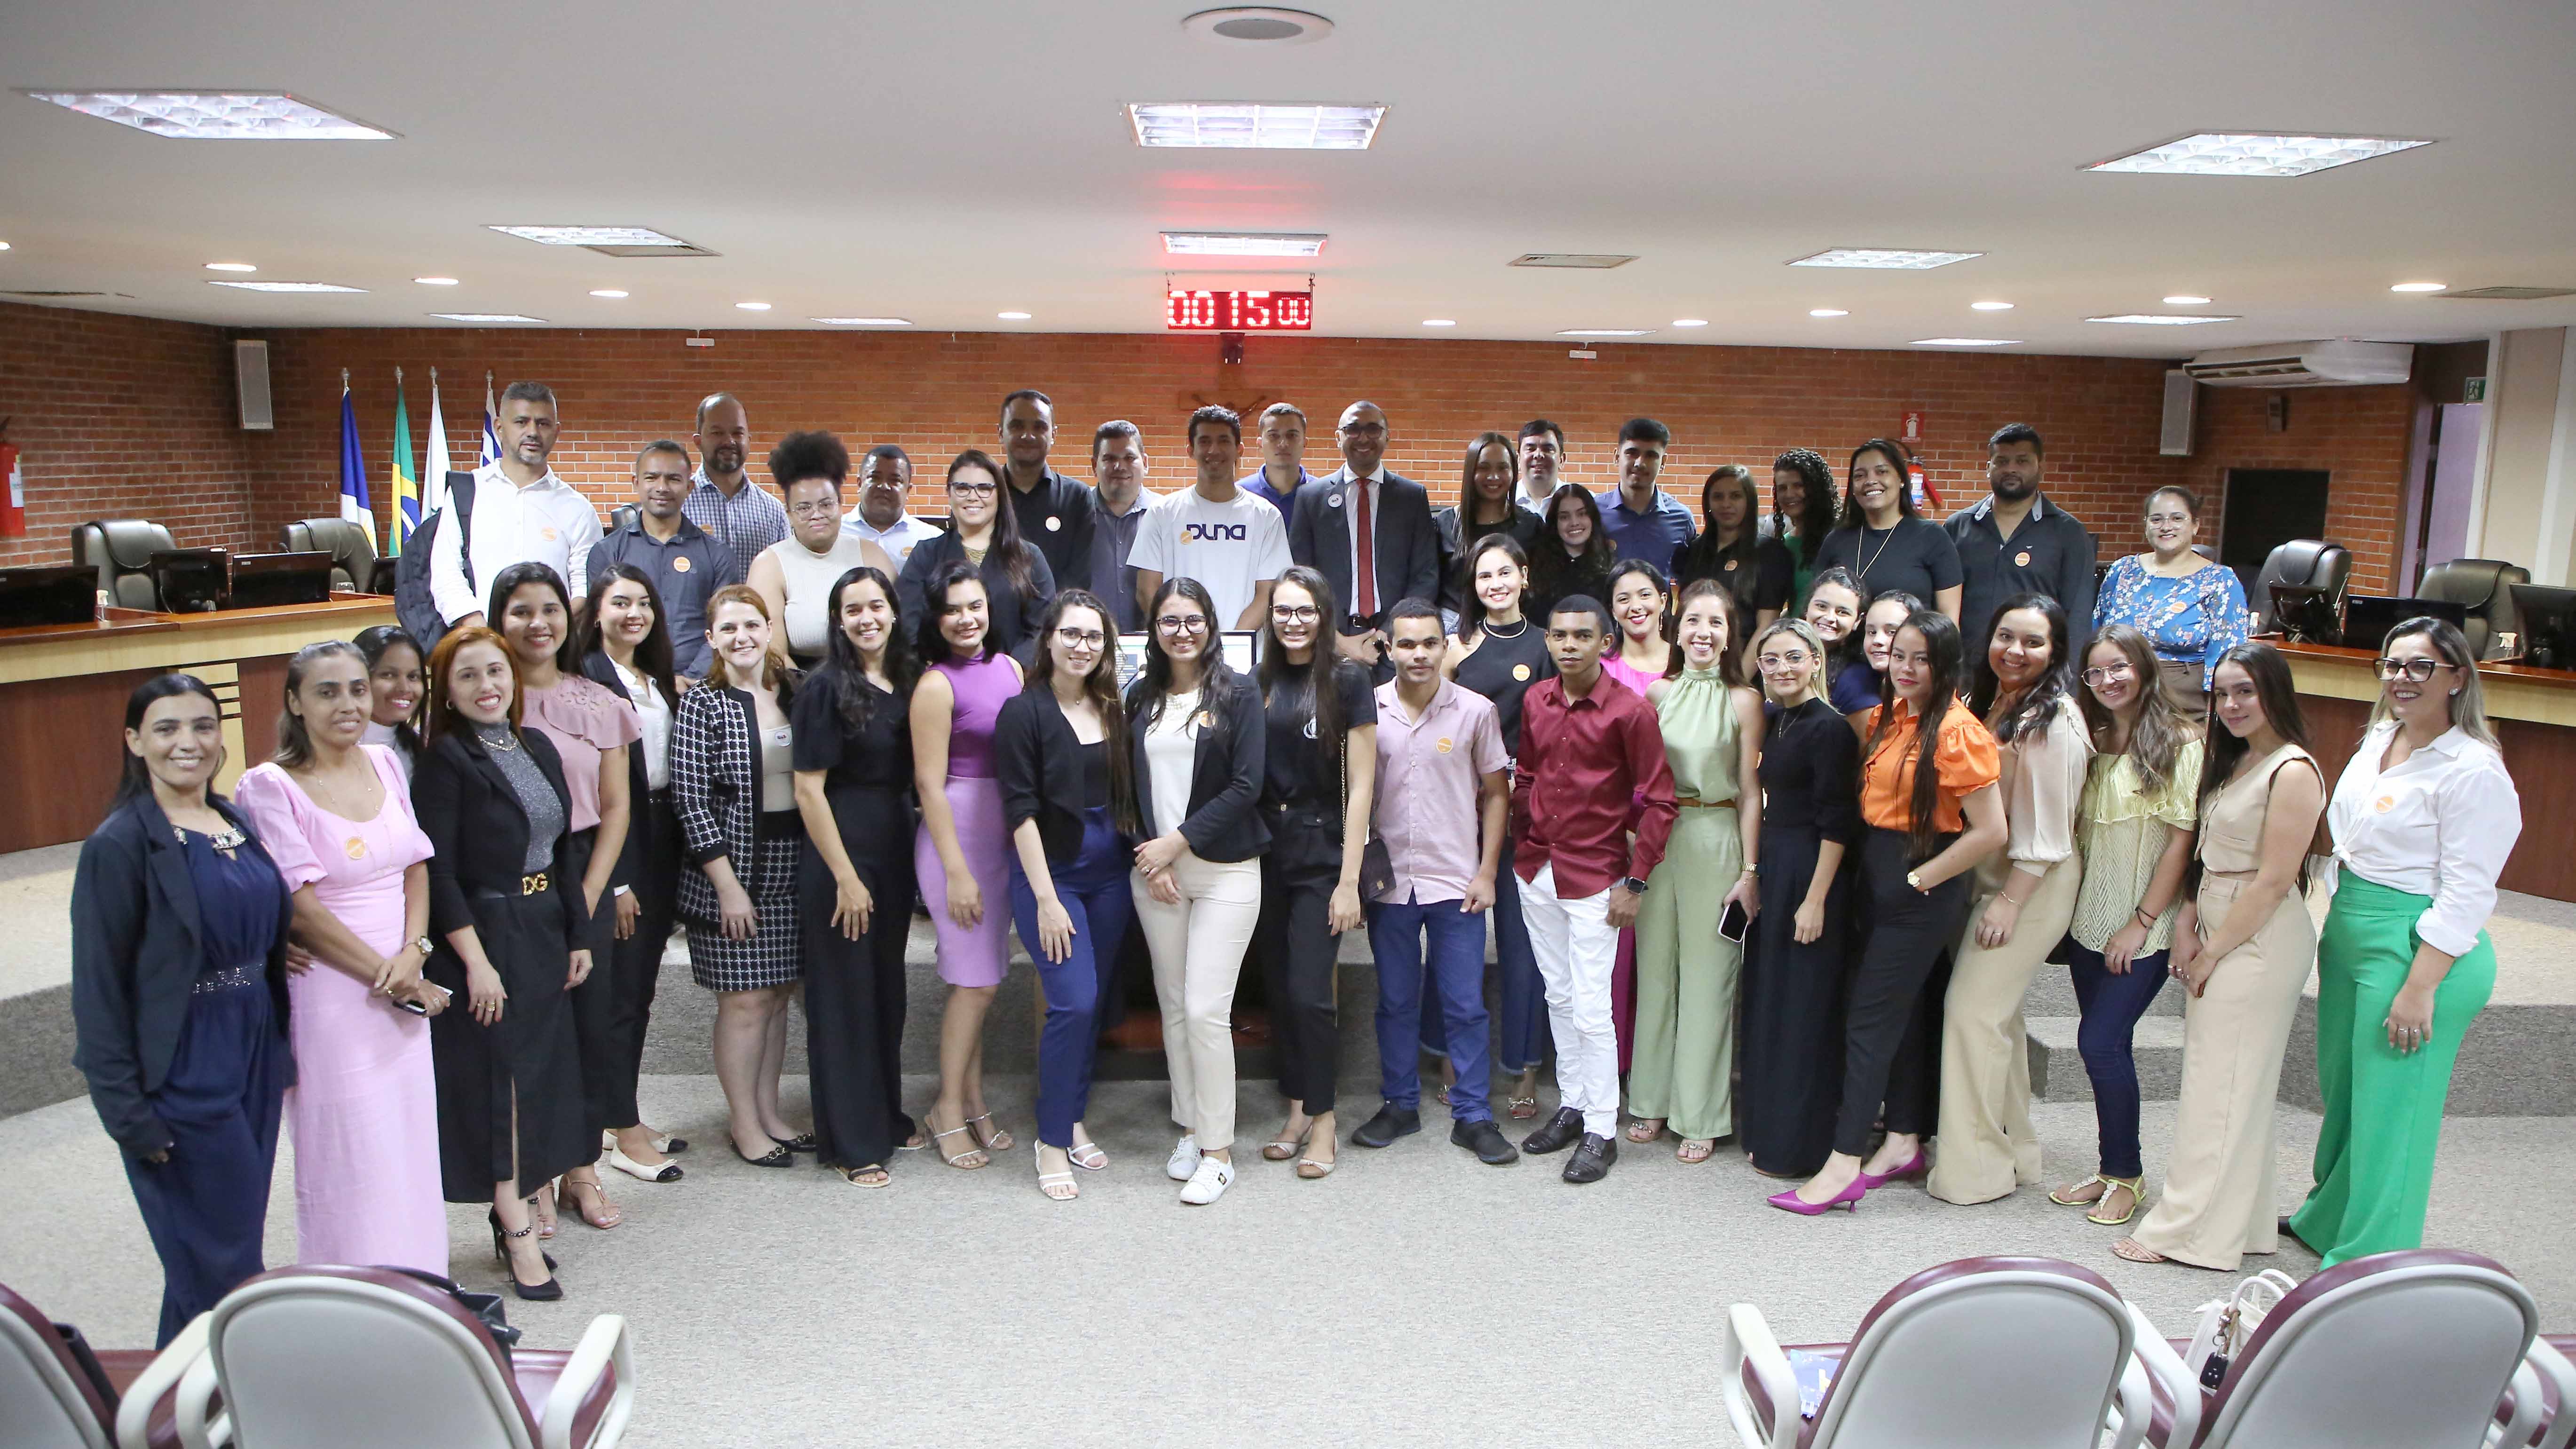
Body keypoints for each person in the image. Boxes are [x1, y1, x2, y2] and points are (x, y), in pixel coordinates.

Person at [2288, 618, 2520, 1267]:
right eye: (2391, 665)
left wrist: (2420, 987)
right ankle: (2329, 1216)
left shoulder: (2473, 768)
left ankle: (2372, 1256)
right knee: (2346, 1091)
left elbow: (2469, 892)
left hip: (2417, 948)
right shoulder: (2379, 739)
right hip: (2352, 928)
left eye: (2419, 666)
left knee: (2395, 1111)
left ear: (2457, 678)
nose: (2400, 678)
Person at [73, 675, 297, 1343]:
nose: (188, 743)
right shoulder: (118, 846)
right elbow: (99, 991)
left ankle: (175, 1411)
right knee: (221, 1261)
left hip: (252, 1049)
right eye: (166, 729)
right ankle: (232, 1407)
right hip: (182, 1061)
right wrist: (127, 1114)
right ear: (135, 741)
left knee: (212, 1253)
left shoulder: (233, 819)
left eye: (203, 726)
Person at [1774, 610, 2004, 1214]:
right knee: (1893, 1017)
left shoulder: (1958, 732)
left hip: (1921, 884)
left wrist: (1919, 879)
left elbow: (1990, 833)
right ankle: (1903, 1138)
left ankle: (1844, 1163)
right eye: (1899, 654)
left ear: (1945, 664)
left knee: (1869, 1024)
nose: (1906, 667)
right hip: (1878, 875)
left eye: (1921, 659)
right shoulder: (1887, 718)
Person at [233, 642, 446, 1274]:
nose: (348, 704)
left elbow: (415, 865)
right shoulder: (268, 785)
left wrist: (415, 951)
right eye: (327, 691)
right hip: (332, 994)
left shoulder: (385, 762)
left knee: (407, 1145)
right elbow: (302, 911)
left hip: (402, 980)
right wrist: (390, 976)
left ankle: (423, 1286)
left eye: (357, 688)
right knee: (351, 1153)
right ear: (295, 702)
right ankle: (352, 1294)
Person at [2116, 642, 2323, 1268]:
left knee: (2220, 1089)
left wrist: (2212, 953)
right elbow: (2207, 855)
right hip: (2215, 919)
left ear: (2274, 694)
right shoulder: (2236, 761)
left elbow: (2270, 882)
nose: (2230, 705)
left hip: (2256, 939)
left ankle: (2184, 1232)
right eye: (2222, 693)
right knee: (2235, 1086)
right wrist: (2186, 922)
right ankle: (2245, 1224)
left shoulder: (2292, 770)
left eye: (2244, 692)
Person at [412, 626, 592, 1300]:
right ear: (449, 694)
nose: (486, 685)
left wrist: (578, 933)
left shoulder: (535, 744)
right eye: (468, 677)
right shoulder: (445, 761)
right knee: (502, 1082)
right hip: (485, 933)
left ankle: (520, 1200)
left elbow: (563, 847)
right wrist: (475, 962)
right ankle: (515, 1226)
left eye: (496, 671)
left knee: (541, 1074)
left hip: (544, 925)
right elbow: (440, 870)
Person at [489, 562, 638, 1235]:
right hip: (509, 876)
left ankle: (581, 1167)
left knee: (588, 1029)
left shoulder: (598, 701)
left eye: (549, 608)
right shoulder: (484, 700)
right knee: (528, 1036)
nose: (537, 623)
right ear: (499, 620)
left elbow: (615, 807)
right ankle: (533, 1175)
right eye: (520, 610)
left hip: (582, 870)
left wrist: (587, 893)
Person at [1929, 593, 2092, 1206]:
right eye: (2005, 637)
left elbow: (2048, 837)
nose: (2015, 651)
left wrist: (2009, 903)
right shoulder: (1992, 701)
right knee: (1998, 1018)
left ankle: (1974, 1171)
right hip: (1993, 876)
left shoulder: (2054, 721)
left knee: (1971, 1013)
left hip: (2032, 884)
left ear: (2055, 651)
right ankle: (2016, 1153)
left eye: (2032, 642)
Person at [1513, 594, 1678, 1184]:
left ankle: (1603, 1129)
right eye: (1559, 635)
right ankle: (1574, 1106)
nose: (1569, 645)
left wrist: (1636, 882)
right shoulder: (1537, 698)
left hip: (1595, 876)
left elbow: (1661, 801)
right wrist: (1519, 840)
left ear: (1605, 642)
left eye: (1583, 635)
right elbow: (1526, 773)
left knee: (1591, 1006)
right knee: (1558, 996)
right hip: (1537, 869)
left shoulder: (1630, 712)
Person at [2045, 623, 2202, 1227]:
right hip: (2089, 920)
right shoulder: (2095, 736)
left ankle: (2130, 1175)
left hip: (2144, 925)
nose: (2108, 681)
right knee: (2107, 1048)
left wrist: (2142, 922)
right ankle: (2111, 1168)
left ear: (2143, 669)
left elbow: (2180, 843)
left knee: (2100, 1043)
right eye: (2095, 673)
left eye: (2119, 668)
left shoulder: (2182, 742)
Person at [1128, 577, 1267, 1205]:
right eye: (1168, 621)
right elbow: (1123, 786)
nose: (1180, 631)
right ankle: (1190, 1126)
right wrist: (1150, 856)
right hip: (1155, 875)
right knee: (1177, 1007)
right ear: (1154, 630)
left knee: (1209, 1010)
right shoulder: (1140, 696)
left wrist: (1174, 842)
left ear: (1210, 625)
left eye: (1192, 620)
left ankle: (1218, 1151)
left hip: (1226, 871)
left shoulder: (1239, 692)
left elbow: (1245, 787)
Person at [1363, 598, 1516, 1164]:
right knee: (1396, 1000)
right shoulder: (1369, 708)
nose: (1419, 654)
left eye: (1430, 642)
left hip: (1457, 883)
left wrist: (1487, 871)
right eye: (1406, 643)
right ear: (1388, 646)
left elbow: (1498, 794)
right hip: (1389, 885)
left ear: (1444, 644)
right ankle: (1399, 1104)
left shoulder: (1475, 711)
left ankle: (1474, 1115)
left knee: (1465, 1003)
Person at [996, 589, 1137, 1200]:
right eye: (1072, 634)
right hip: (1051, 879)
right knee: (1072, 1002)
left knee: (1098, 1001)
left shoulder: (1111, 706)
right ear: (1048, 638)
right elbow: (1019, 812)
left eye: (1095, 637)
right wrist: (1047, 897)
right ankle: (1050, 1139)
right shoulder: (1022, 712)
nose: (1083, 646)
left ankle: (1072, 1114)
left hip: (1110, 876)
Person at [792, 566, 926, 1188]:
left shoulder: (905, 678)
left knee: (883, 991)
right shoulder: (824, 687)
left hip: (894, 844)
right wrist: (845, 876)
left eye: (876, 605)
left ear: (893, 611)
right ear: (838, 620)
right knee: (844, 997)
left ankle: (882, 1114)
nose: (867, 618)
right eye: (853, 610)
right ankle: (851, 1143)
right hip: (842, 848)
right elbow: (808, 789)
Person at [672, 587, 809, 1169]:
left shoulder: (794, 692)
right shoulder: (704, 704)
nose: (742, 637)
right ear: (711, 638)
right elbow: (691, 800)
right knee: (746, 1002)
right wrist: (727, 887)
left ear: (769, 627)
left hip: (791, 867)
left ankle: (771, 1112)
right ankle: (744, 1124)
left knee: (777, 998)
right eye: (728, 629)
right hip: (731, 875)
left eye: (752, 625)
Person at [1628, 581, 1765, 1161]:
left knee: (1709, 982)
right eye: (1693, 622)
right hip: (1660, 840)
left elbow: (1752, 791)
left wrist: (1750, 871)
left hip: (1716, 838)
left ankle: (1701, 1111)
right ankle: (1651, 1099)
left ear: (1731, 634)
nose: (1703, 632)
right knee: (1655, 974)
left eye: (1716, 622)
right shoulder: (1656, 695)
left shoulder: (1745, 700)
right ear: (1676, 628)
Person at [1248, 566, 1377, 1180]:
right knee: (1278, 990)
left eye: (1305, 610)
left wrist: (1349, 880)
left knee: (1308, 993)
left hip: (1322, 856)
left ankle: (1324, 1120)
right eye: (1283, 610)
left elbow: (1361, 788)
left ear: (1324, 616)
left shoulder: (1348, 680)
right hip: (1264, 855)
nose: (1293, 621)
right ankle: (1297, 1107)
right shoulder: (1260, 680)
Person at [909, 562, 1027, 1170]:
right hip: (957, 840)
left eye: (974, 606)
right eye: (953, 609)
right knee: (974, 981)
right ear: (937, 618)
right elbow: (928, 786)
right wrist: (956, 871)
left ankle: (974, 1102)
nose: (966, 618)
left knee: (980, 979)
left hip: (1002, 840)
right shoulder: (934, 684)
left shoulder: (1009, 668)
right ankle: (945, 1109)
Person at [577, 566, 689, 1184]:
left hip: (660, 835)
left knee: (639, 990)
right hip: (618, 842)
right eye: (620, 602)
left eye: (643, 603)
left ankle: (625, 1114)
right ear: (596, 610)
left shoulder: (652, 678)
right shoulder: (588, 679)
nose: (633, 613)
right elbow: (594, 790)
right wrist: (616, 881)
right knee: (618, 994)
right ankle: (620, 1131)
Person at [1737, 620, 1859, 1178]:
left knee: (1805, 1012)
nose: (1782, 669)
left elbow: (1838, 823)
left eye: (1793, 657)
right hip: (1779, 866)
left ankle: (1800, 1148)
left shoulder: (1830, 729)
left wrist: (1815, 901)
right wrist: (1755, 873)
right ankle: (1767, 1133)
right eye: (1770, 660)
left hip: (1813, 871)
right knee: (1773, 1003)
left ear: (1815, 660)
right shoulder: (1778, 719)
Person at [1440, 535, 1554, 1118]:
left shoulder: (1545, 645)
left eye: (1505, 573)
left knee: (1521, 945)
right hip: (1461, 812)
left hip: (1529, 816)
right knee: (1452, 938)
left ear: (1524, 576)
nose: (1495, 585)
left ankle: (1524, 1067)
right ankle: (1448, 1056)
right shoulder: (1456, 648)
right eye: (1485, 576)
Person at [429, 381, 601, 632]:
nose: (533, 432)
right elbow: (446, 574)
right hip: (481, 645)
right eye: (521, 422)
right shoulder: (467, 494)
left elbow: (584, 587)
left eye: (543, 423)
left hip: (551, 649)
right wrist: (485, 633)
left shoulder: (578, 509)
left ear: (557, 431)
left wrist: (544, 629)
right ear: (500, 427)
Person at [1291, 400, 1442, 675]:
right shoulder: (1311, 498)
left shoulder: (1412, 497)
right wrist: (1335, 639)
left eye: (1373, 429)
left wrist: (1389, 632)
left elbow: (1426, 575)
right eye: (1353, 429)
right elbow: (1301, 577)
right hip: (1329, 642)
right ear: (1338, 437)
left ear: (1387, 436)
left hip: (1396, 642)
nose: (1363, 438)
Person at [589, 439, 743, 681]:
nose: (662, 487)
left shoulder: (718, 555)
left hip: (703, 685)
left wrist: (692, 678)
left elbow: (726, 624)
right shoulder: (607, 552)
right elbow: (600, 626)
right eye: (652, 478)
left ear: (689, 487)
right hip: (628, 687)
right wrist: (638, 680)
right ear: (636, 483)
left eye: (673, 479)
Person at [1127, 406, 1290, 630]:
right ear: (1190, 450)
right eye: (1204, 441)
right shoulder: (1162, 513)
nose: (1214, 450)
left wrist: (1231, 644)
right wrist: (1182, 634)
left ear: (1239, 449)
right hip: (1180, 646)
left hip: (1243, 654)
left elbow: (1269, 593)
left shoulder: (1266, 516)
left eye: (1224, 441)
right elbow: (1147, 590)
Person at [2093, 485, 2248, 715]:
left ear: (2195, 525)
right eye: (2156, 519)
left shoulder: (2219, 580)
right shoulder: (2123, 570)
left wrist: (2215, 715)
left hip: (2181, 703)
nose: (2166, 527)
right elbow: (2097, 630)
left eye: (2177, 519)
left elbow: (2227, 656)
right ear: (2146, 524)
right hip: (2115, 694)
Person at [1945, 424, 2099, 650]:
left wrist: (2070, 682)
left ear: (2041, 468)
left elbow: (2077, 616)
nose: (2011, 469)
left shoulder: (2069, 534)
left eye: (2022, 461)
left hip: (2035, 672)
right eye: (2002, 461)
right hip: (1967, 669)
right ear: (1989, 468)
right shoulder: (1958, 527)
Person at [748, 431, 894, 667]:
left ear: (840, 505)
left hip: (871, 676)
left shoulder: (872, 555)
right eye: (804, 508)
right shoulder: (769, 565)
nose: (817, 515)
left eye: (826, 504)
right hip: (798, 682)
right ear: (789, 514)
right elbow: (772, 653)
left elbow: (895, 630)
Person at [896, 449, 1058, 659]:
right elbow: (909, 625)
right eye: (962, 488)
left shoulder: (1029, 557)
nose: (973, 497)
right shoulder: (926, 555)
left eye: (984, 488)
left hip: (1015, 681)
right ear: (949, 493)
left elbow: (1043, 626)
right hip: (943, 681)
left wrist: (1010, 671)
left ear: (999, 494)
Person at [1811, 438, 1963, 627]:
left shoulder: (1933, 538)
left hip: (1907, 654)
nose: (1870, 481)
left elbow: (1949, 624)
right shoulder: (1837, 539)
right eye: (1860, 476)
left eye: (1882, 472)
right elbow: (1814, 606)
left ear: (1901, 479)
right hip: (1843, 654)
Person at [1676, 464, 1794, 646]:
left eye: (1736, 496)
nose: (1726, 504)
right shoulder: (1694, 550)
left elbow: (1766, 627)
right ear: (1708, 502)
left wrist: (1740, 675)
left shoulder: (1770, 553)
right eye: (1718, 497)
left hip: (1743, 662)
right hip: (1695, 658)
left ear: (1749, 501)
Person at [1433, 431, 1543, 620]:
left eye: (1502, 468)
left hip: (1513, 629)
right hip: (1454, 630)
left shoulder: (1531, 526)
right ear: (1471, 471)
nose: (1494, 476)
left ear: (1513, 472)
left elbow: (1541, 587)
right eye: (1484, 468)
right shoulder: (1446, 524)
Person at [997, 388, 1099, 593]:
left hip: (1055, 620)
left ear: (1053, 435)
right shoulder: (983, 494)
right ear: (1001, 433)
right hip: (991, 620)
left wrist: (1049, 617)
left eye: (1039, 427)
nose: (1028, 435)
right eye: (1017, 426)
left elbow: (1079, 577)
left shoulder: (1077, 497)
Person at [684, 392, 790, 569]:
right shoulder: (680, 504)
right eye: (717, 433)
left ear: (748, 440)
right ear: (698, 441)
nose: (729, 441)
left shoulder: (773, 511)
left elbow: (786, 574)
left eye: (737, 433)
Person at [1087, 420, 1162, 633]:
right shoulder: (1076, 515)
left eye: (1130, 458)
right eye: (1109, 458)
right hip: (1089, 644)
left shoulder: (1166, 516)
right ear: (1094, 465)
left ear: (1145, 463)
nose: (1120, 467)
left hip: (1155, 645)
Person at [1596, 417, 1695, 569]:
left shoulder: (1681, 518)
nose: (1640, 463)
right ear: (1617, 457)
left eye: (1651, 456)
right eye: (1632, 453)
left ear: (1663, 463)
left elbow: (1689, 578)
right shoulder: (1594, 512)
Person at [1528, 482, 1621, 626]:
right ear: (1555, 523)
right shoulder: (1538, 565)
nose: (1574, 523)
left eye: (1582, 514)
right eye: (1565, 517)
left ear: (1592, 518)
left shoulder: (1611, 565)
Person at [843, 443, 940, 568]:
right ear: (859, 484)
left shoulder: (932, 540)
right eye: (874, 477)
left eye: (895, 480)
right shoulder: (836, 534)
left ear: (908, 490)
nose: (884, 486)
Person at [1767, 448, 1840, 608]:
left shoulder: (1839, 539)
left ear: (1817, 488)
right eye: (1782, 488)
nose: (1789, 494)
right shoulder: (1786, 543)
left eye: (1798, 485)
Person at [355, 624, 427, 779]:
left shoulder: (420, 746)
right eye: (388, 675)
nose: (404, 688)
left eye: (413, 677)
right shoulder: (333, 748)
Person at [1800, 568, 1874, 714]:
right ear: (1807, 608)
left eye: (1843, 612)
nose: (1830, 617)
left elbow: (1866, 737)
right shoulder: (1784, 655)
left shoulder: (1857, 678)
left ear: (1858, 621)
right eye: (1822, 607)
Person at [1845, 589, 1925, 722]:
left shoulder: (1926, 700)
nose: (1878, 640)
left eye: (1891, 632)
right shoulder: (1857, 682)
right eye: (1871, 632)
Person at [1604, 558, 1676, 696]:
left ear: (1663, 601)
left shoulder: (1685, 661)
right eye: (1624, 599)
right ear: (1613, 611)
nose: (1636, 607)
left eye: (1645, 595)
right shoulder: (1600, 668)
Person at [1240, 402, 1319, 522]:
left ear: (1305, 443)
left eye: (1292, 435)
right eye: (1273, 436)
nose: (1283, 444)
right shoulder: (1241, 494)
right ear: (1260, 445)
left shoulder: (1322, 494)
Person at [1517, 419, 1568, 511]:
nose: (1538, 455)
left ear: (1562, 460)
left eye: (1548, 449)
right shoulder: (1503, 501)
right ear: (1518, 459)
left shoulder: (1586, 502)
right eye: (1530, 449)